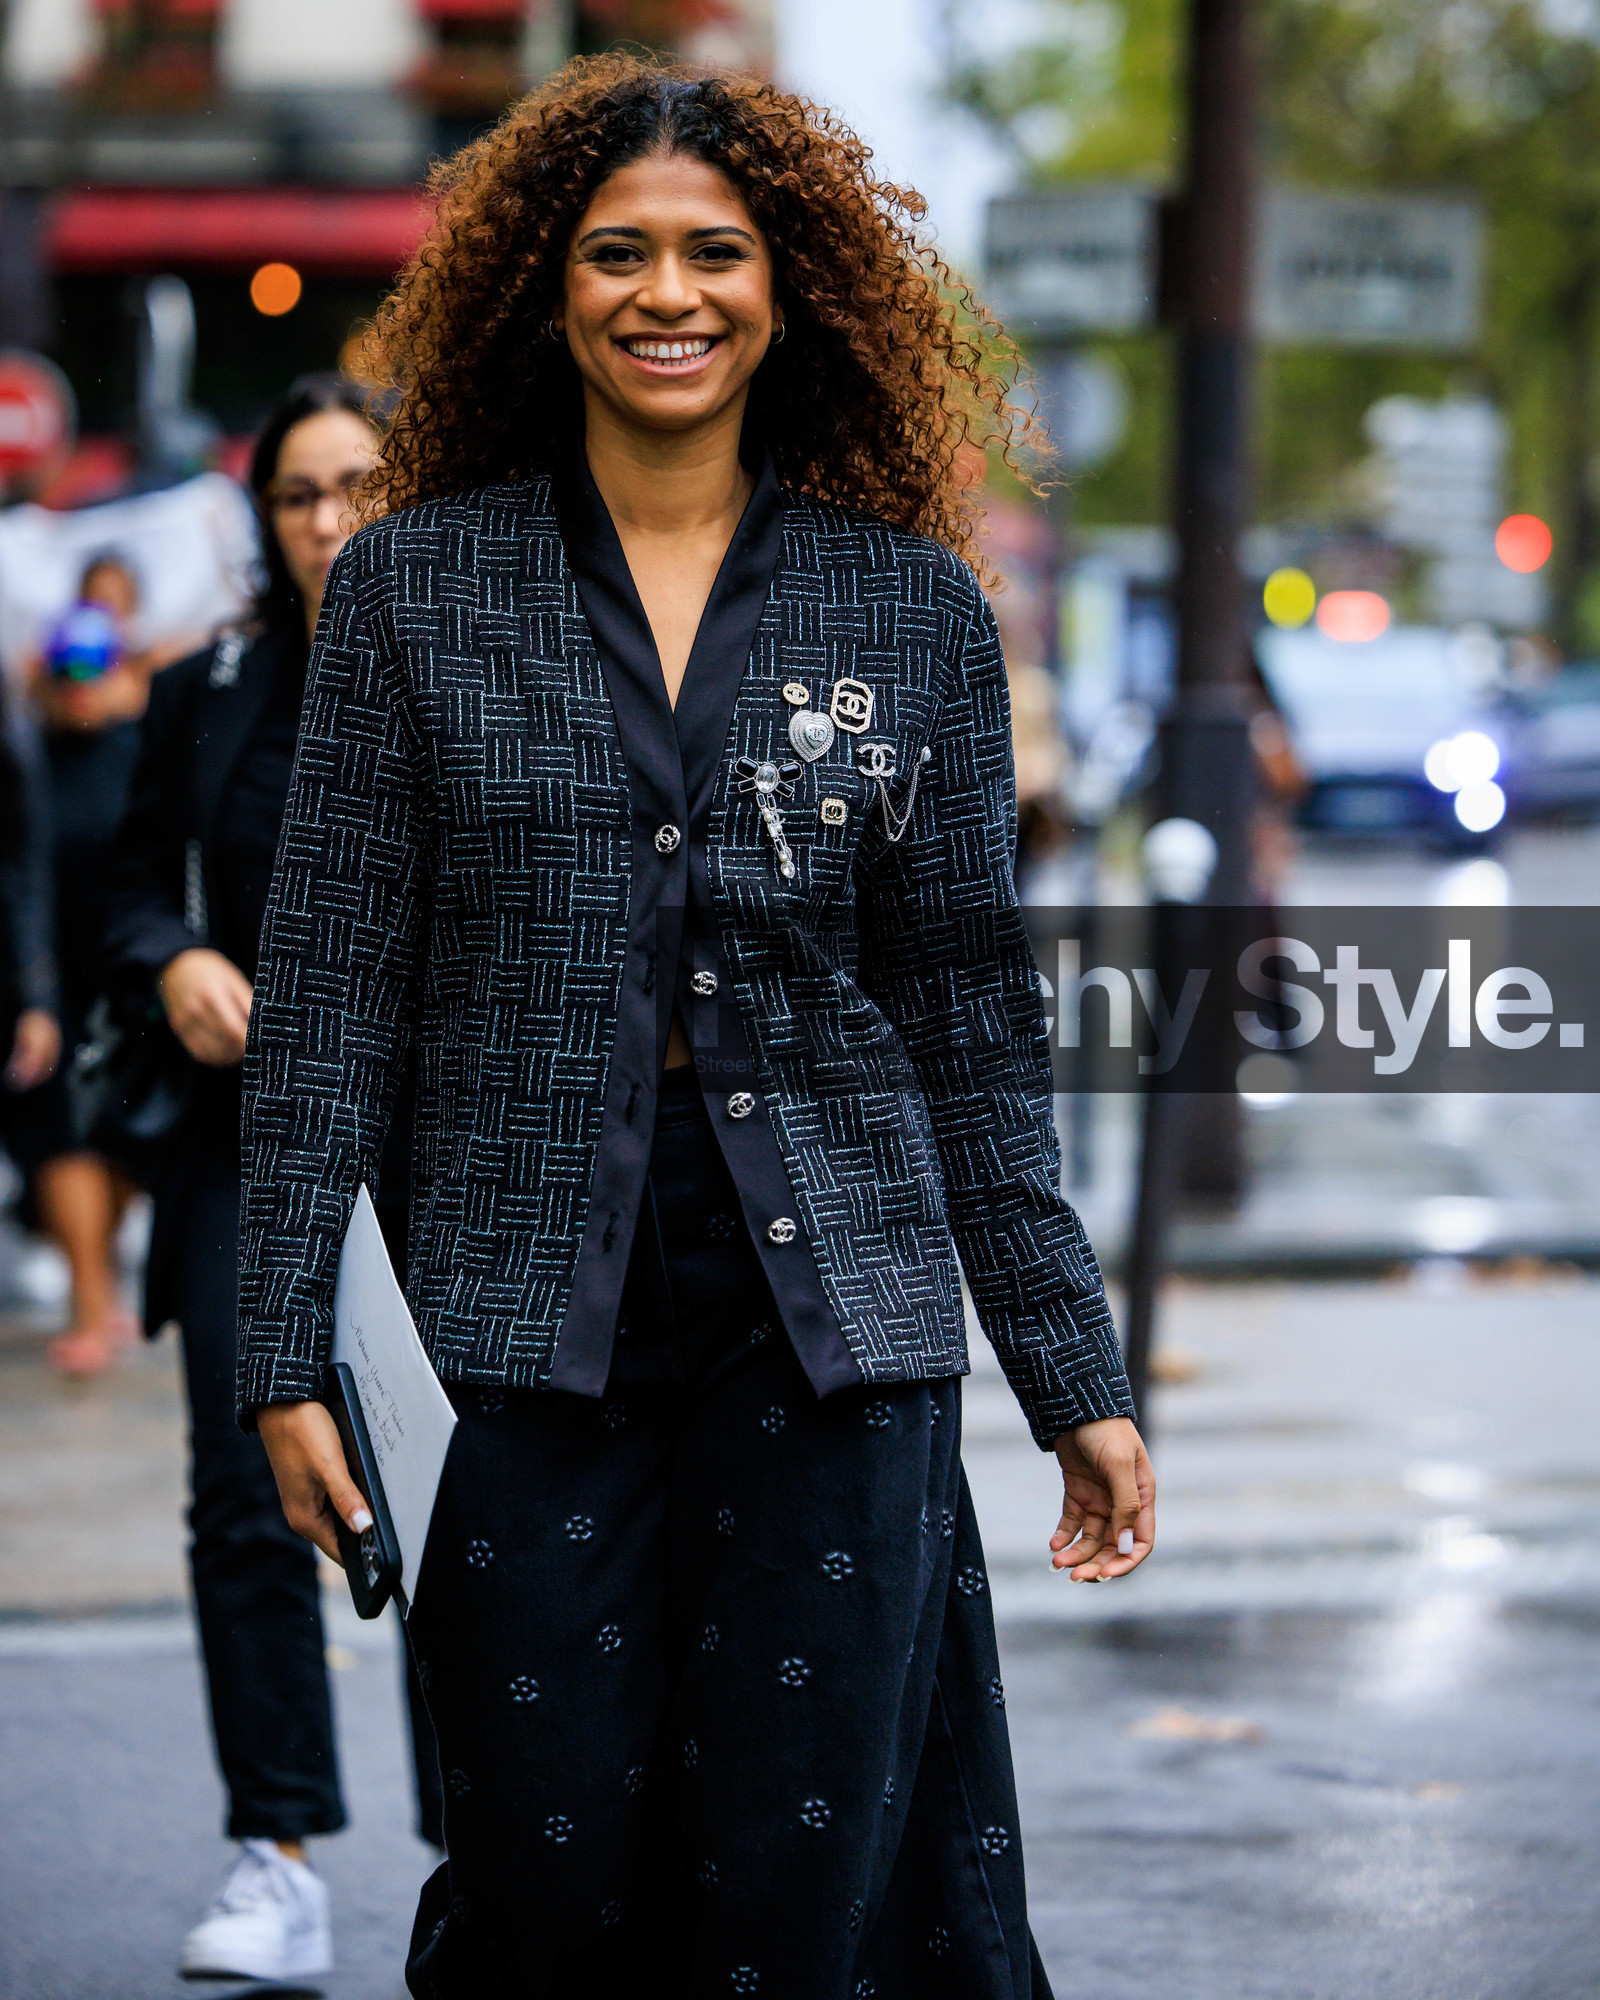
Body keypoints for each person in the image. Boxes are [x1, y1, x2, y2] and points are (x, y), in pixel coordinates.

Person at [242, 55, 1156, 2000]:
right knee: (545, 1880)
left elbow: (969, 1024)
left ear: (788, 285)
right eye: (621, 251)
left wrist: (1068, 1368)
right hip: (510, 1321)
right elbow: (325, 1000)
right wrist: (280, 1349)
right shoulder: (412, 587)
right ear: (543, 288)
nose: (670, 291)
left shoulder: (911, 609)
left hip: (834, 1329)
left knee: (798, 1895)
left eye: (716, 251)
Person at [104, 376, 443, 1985]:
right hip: (244, 1146)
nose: (330, 523)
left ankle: (492, 1848)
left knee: (465, 1501)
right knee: (247, 1505)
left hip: (442, 1157)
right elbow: (123, 893)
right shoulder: (214, 687)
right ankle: (279, 1854)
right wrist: (171, 962)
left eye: (361, 487)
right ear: (264, 518)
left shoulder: (475, 671)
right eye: (301, 494)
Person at [18, 551, 168, 1375]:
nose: (81, 682)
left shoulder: (145, 738)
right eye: (66, 668)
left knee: (119, 1137)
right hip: (54, 974)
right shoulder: (32, 751)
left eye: (94, 664)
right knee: (61, 1132)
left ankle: (99, 1285)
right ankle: (89, 1298)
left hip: (128, 970)